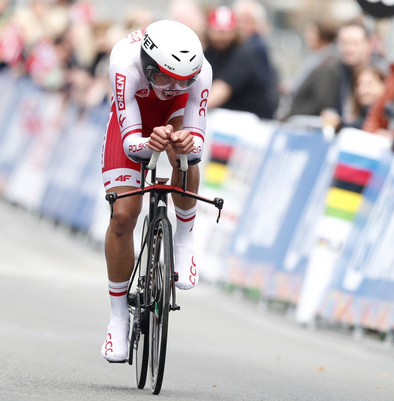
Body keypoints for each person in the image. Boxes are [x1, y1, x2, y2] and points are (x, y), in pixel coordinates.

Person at [100, 20, 212, 362]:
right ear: (148, 65)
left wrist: (185, 143)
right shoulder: (124, 63)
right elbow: (133, 145)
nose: (174, 86)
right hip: (135, 119)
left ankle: (184, 238)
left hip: (176, 117)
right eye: (164, 77)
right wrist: (150, 142)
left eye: (184, 81)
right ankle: (118, 318)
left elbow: (197, 145)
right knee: (122, 216)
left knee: (184, 157)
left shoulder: (201, 71)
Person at [204, 6, 274, 119]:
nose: (221, 37)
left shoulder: (243, 54)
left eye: (225, 32)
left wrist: (196, 109)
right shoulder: (209, 52)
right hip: (226, 115)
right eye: (217, 31)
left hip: (251, 118)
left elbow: (222, 89)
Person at [279, 20, 340, 120]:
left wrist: (294, 115)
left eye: (312, 33)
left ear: (322, 37)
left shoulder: (328, 64)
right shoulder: (314, 59)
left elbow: (320, 101)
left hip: (304, 121)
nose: (307, 36)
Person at [233, 0, 279, 117]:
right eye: (238, 20)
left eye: (246, 21)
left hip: (253, 114)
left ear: (256, 23)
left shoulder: (254, 47)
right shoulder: (248, 44)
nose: (240, 25)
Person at [342, 65, 386, 129]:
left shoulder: (388, 116)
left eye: (369, 84)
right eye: (358, 85)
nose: (362, 90)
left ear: (384, 85)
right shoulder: (358, 114)